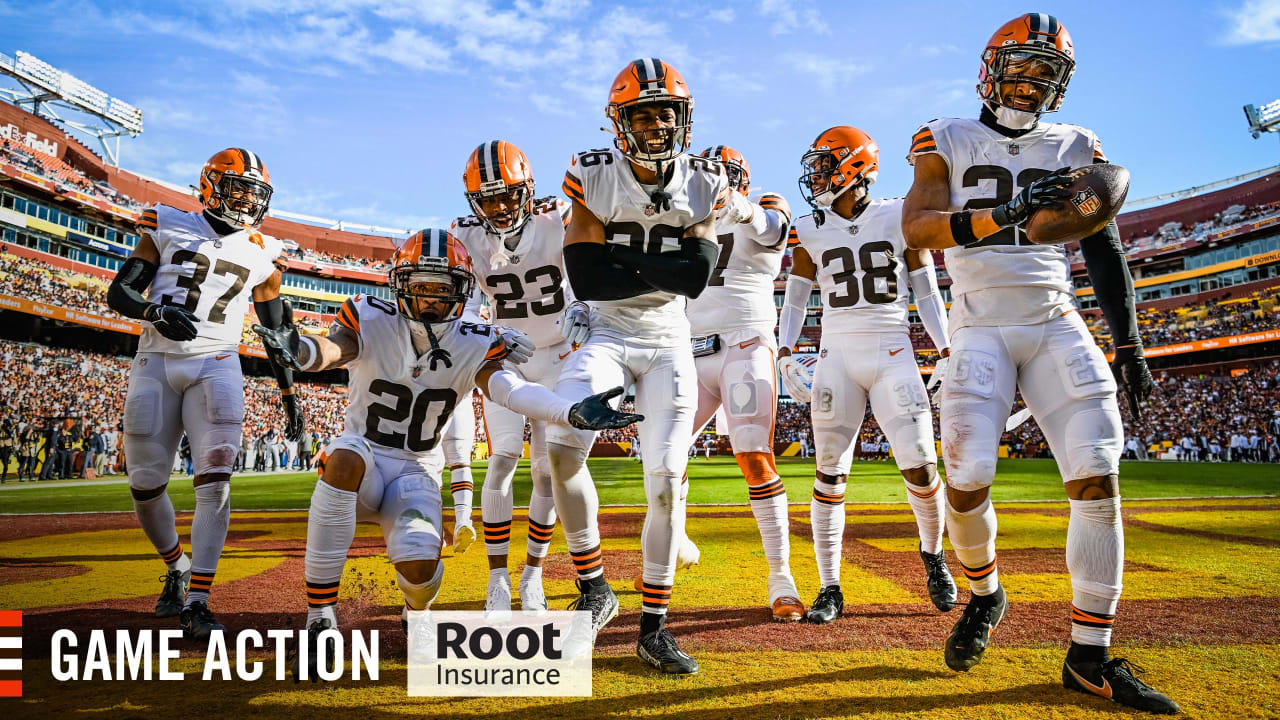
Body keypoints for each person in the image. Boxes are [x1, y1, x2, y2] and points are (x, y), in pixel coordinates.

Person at [900, 14, 1177, 713]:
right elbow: (919, 228)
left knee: (1098, 475)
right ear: (991, 68)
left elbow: (1105, 251)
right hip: (979, 323)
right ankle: (986, 595)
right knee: (965, 482)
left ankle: (1089, 654)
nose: (1030, 83)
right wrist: (1003, 215)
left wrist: (1130, 343)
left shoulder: (1076, 144)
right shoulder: (946, 135)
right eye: (1021, 68)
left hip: (1054, 320)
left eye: (1044, 74)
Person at [253, 228, 640, 681]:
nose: (432, 302)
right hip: (367, 457)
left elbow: (509, 389)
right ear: (401, 285)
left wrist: (567, 409)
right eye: (421, 289)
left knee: (419, 571)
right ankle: (320, 620)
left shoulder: (474, 339)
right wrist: (299, 350)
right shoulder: (370, 317)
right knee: (342, 458)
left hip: (416, 471)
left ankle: (414, 612)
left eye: (443, 291)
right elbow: (333, 348)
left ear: (461, 293)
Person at [554, 57, 727, 674]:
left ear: (684, 118)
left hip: (669, 341)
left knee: (665, 480)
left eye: (666, 112)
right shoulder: (593, 174)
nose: (656, 124)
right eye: (642, 113)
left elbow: (697, 279)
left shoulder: (706, 180)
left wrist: (620, 261)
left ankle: (654, 627)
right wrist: (662, 268)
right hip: (605, 332)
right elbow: (584, 276)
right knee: (560, 444)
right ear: (618, 122)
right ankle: (595, 581)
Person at [106, 148, 301, 642]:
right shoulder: (167, 222)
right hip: (155, 361)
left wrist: (289, 393)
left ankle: (199, 601)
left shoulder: (264, 250)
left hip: (218, 363)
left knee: (215, 481)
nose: (245, 201)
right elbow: (119, 292)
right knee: (145, 485)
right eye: (237, 189)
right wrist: (152, 314)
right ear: (211, 185)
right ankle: (177, 565)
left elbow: (275, 331)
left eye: (254, 194)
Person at [778, 126, 956, 623]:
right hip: (836, 354)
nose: (815, 176)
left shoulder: (899, 216)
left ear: (853, 167)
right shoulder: (809, 227)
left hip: (892, 351)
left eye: (824, 164)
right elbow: (796, 296)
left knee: (921, 465)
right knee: (829, 475)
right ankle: (830, 586)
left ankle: (933, 558)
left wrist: (944, 348)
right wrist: (785, 350)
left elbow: (925, 289)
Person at [451, 139, 587, 613]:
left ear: (528, 189)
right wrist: (485, 336)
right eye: (490, 198)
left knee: (548, 470)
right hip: (505, 356)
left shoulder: (559, 219)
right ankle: (497, 581)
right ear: (474, 202)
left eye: (510, 194)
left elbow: (586, 274)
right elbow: (463, 304)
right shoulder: (466, 237)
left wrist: (582, 308)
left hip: (559, 355)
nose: (503, 206)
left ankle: (533, 575)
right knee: (503, 459)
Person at [683, 143, 802, 621]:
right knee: (661, 455)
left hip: (744, 344)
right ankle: (673, 548)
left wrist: (740, 207)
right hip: (688, 350)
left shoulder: (764, 205)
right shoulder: (682, 217)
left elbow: (774, 228)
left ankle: (781, 577)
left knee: (754, 456)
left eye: (721, 176)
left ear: (740, 179)